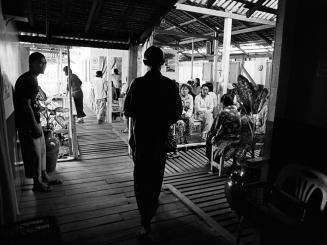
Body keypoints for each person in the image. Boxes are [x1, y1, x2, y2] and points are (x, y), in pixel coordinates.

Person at [124, 46, 182, 236]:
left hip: (140, 138)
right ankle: (152, 205)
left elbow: (129, 112)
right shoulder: (170, 85)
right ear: (163, 63)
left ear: (145, 62)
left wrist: (131, 137)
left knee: (140, 178)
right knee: (156, 176)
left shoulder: (137, 83)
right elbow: (176, 114)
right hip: (160, 139)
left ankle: (144, 219)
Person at [14, 52, 62, 192]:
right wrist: (34, 125)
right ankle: (37, 183)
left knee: (41, 150)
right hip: (28, 123)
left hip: (34, 120)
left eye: (45, 62)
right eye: (41, 62)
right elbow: (25, 104)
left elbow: (32, 102)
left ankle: (44, 176)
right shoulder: (28, 79)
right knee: (34, 153)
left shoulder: (32, 78)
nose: (44, 65)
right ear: (32, 63)